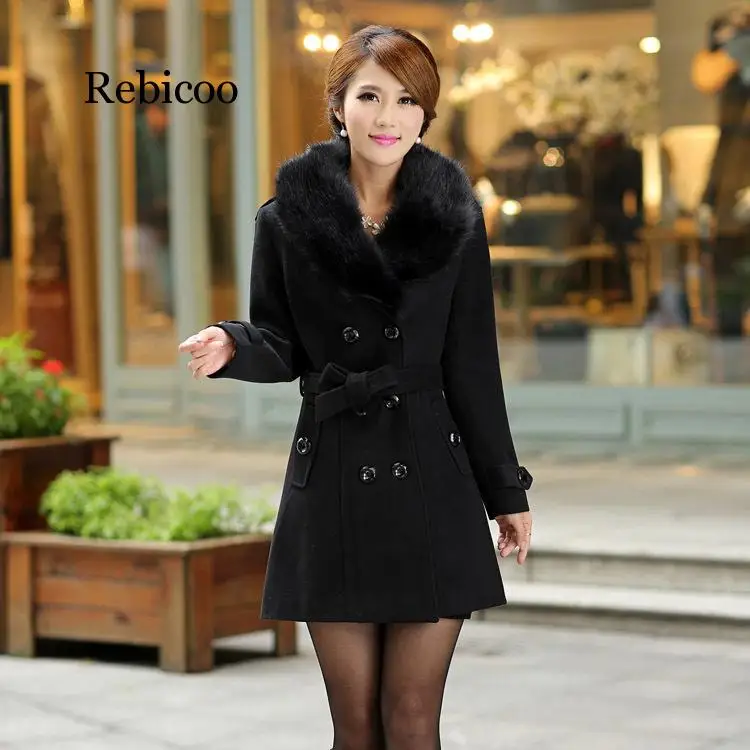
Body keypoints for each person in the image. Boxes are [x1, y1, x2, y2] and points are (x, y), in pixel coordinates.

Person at [178, 25, 533, 750]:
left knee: (412, 719)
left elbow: (472, 363)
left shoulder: (456, 220)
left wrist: (505, 489)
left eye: (407, 100)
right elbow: (280, 342)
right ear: (339, 105)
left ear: (426, 113)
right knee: (356, 726)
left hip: (431, 480)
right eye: (370, 96)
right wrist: (233, 344)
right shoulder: (287, 220)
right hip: (335, 477)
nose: (387, 117)